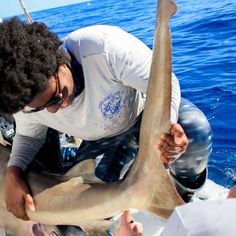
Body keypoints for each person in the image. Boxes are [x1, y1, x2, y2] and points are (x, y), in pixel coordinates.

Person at [0, 17, 211, 222]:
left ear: (60, 61)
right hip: (105, 140)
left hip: (143, 116)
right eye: (42, 108)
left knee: (195, 132)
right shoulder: (23, 99)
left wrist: (168, 128)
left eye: (57, 96)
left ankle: (180, 194)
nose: (58, 109)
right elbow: (28, 135)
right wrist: (13, 172)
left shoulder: (103, 47)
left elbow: (166, 84)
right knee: (97, 209)